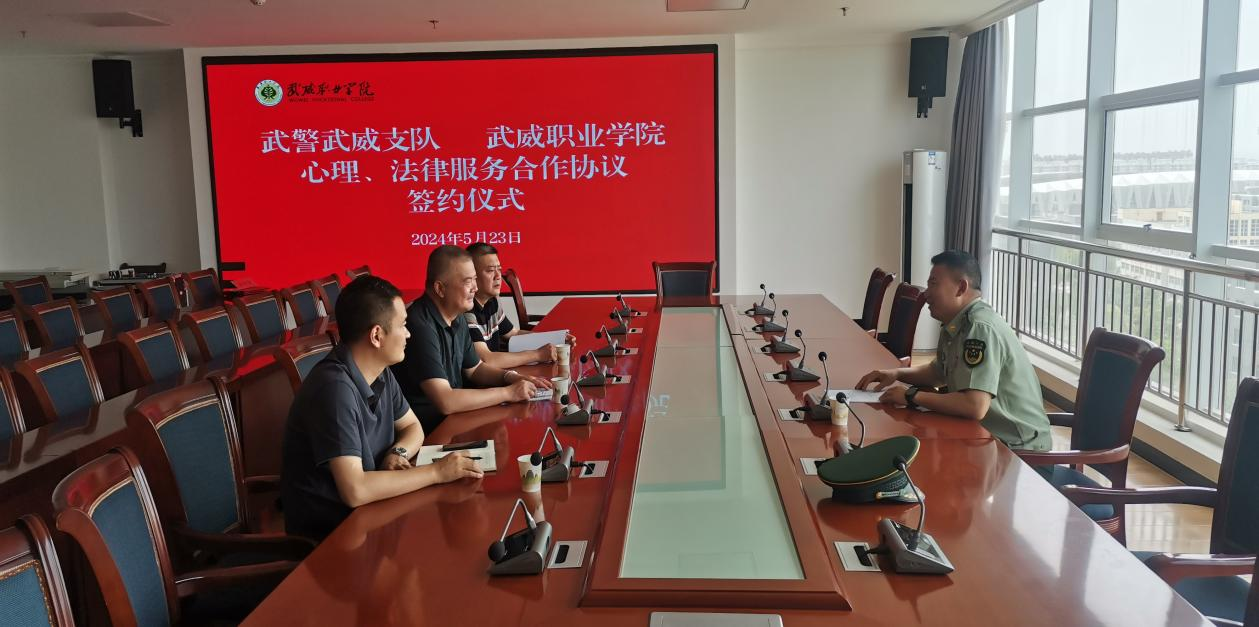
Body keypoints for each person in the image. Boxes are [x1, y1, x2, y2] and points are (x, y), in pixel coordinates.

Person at [281, 275, 483, 541]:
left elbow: (413, 427)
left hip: (374, 515)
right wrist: (436, 472)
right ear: (377, 335)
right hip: (331, 538)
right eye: (403, 325)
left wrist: (397, 453)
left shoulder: (380, 371)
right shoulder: (334, 389)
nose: (409, 333)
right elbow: (355, 490)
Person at [856, 250, 1051, 452]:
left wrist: (910, 395)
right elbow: (938, 372)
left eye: (934, 284)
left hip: (1018, 450)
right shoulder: (957, 322)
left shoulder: (979, 328)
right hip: (983, 437)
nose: (926, 294)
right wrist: (896, 374)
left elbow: (974, 406)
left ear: (961, 287)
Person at [392, 245, 553, 433]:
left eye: (475, 279)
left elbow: (475, 369)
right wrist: (508, 392)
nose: (475, 288)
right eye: (468, 281)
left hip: (457, 420)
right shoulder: (419, 325)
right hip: (431, 433)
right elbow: (446, 401)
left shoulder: (457, 316)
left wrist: (512, 378)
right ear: (440, 288)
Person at [465, 242, 574, 368]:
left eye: (499, 269)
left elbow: (513, 333)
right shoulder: (466, 310)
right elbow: (487, 360)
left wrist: (558, 340)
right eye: (490, 271)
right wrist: (538, 354)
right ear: (472, 276)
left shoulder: (492, 301)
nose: (498, 276)